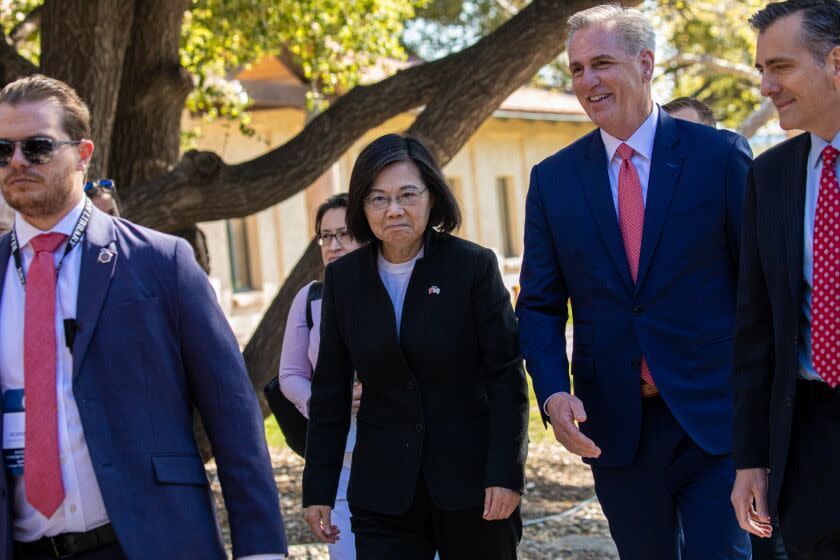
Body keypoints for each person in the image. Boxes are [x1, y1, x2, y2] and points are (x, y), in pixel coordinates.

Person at [0, 74, 287, 558]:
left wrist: (261, 548)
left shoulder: (161, 262)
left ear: (83, 153)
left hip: (149, 542)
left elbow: (232, 414)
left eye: (38, 146)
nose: (17, 162)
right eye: (2, 150)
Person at [516, 4, 753, 558]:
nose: (587, 81)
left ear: (646, 64)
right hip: (617, 427)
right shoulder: (552, 180)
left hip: (715, 419)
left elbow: (759, 289)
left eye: (602, 63)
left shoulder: (718, 156)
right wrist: (552, 391)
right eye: (576, 69)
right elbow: (540, 306)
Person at [302, 133, 528, 559]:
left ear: (432, 196)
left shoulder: (473, 267)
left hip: (473, 486)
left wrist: (506, 473)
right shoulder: (344, 280)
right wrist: (318, 489)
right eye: (378, 198)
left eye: (408, 194)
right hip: (383, 489)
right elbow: (330, 389)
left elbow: (505, 376)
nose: (394, 210)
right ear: (361, 207)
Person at [731, 1, 840, 559]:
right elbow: (755, 327)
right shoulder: (769, 175)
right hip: (808, 434)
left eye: (781, 67)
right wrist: (750, 458)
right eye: (760, 71)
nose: (767, 86)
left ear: (837, 62)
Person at [278, 192, 362, 559]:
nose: (334, 244)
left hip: (404, 451)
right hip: (339, 458)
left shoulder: (396, 289)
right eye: (326, 236)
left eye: (344, 233)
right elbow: (290, 375)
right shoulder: (311, 298)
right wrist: (329, 402)